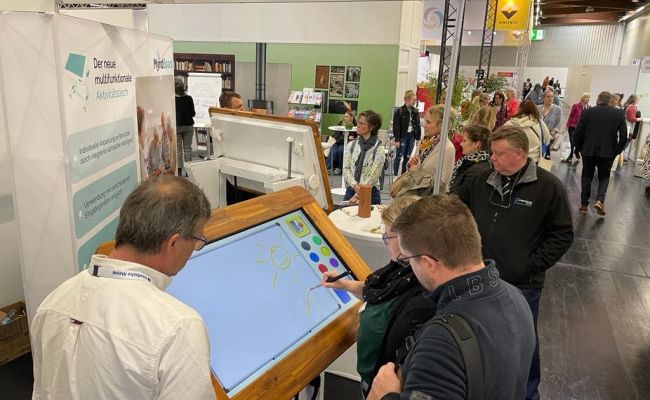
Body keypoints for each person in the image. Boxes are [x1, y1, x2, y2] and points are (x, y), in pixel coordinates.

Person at [31, 176, 214, 399]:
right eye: (197, 240)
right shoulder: (179, 329)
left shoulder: (51, 304)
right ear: (173, 243)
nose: (195, 248)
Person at [367, 195, 536, 400]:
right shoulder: (515, 296)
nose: (408, 266)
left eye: (407, 260)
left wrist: (386, 395)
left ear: (429, 263)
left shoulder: (439, 344)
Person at [456, 126, 574, 400]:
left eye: (498, 153)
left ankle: (528, 394)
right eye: (492, 152)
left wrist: (529, 265)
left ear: (519, 153)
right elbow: (458, 212)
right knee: (480, 335)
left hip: (522, 284)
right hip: (478, 276)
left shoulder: (548, 187)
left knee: (523, 342)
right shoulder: (481, 180)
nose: (492, 158)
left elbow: (562, 234)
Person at [322, 195, 435, 397]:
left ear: (406, 240)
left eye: (387, 237)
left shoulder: (421, 299)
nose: (385, 243)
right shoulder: (400, 269)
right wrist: (344, 285)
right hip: (371, 377)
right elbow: (378, 293)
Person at [574, 91, 627, 216]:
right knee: (604, 177)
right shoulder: (618, 113)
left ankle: (584, 205)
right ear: (610, 101)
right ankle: (599, 200)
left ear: (598, 99)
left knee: (587, 176)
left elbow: (578, 132)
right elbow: (624, 135)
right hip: (608, 151)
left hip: (588, 150)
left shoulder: (587, 112)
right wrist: (617, 150)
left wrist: (579, 147)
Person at [405, 105, 456, 192]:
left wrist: (418, 172)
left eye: (428, 122)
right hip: (413, 194)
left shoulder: (448, 148)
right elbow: (413, 168)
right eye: (425, 121)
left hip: (428, 199)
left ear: (441, 126)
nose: (424, 125)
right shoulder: (424, 142)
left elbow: (442, 184)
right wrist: (410, 165)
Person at [343, 110, 385, 205]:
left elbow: (373, 176)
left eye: (362, 124)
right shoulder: (351, 145)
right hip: (351, 189)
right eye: (358, 122)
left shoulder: (379, 149)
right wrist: (355, 186)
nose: (358, 125)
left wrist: (357, 195)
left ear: (372, 127)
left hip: (371, 193)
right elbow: (346, 168)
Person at [448, 125, 491, 195]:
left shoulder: (476, 171)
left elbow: (460, 195)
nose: (461, 144)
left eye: (464, 141)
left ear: (476, 144)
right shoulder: (467, 162)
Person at [392, 90, 422, 176]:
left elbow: (418, 125)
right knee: (399, 156)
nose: (415, 101)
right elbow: (396, 126)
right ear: (408, 100)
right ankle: (395, 175)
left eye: (415, 100)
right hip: (402, 136)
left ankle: (403, 175)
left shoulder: (415, 111)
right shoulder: (400, 111)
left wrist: (418, 138)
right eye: (413, 100)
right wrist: (397, 140)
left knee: (407, 156)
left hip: (412, 136)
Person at [175, 78, 195, 175]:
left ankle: (179, 172)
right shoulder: (189, 98)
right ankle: (188, 171)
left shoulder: (172, 99)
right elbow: (193, 113)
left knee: (178, 150)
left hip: (177, 127)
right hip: (188, 126)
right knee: (188, 149)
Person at [327, 110, 357, 174]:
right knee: (333, 151)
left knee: (341, 150)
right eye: (344, 116)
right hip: (339, 142)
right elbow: (336, 135)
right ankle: (325, 168)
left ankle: (340, 168)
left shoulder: (355, 125)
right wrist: (345, 137)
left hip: (348, 143)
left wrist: (352, 138)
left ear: (351, 117)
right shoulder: (340, 123)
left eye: (346, 117)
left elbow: (355, 136)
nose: (344, 118)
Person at [565, 92, 590, 162]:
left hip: (582, 128)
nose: (588, 99)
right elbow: (571, 115)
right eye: (587, 97)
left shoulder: (589, 108)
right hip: (573, 126)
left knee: (580, 142)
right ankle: (570, 155)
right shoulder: (576, 106)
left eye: (589, 97)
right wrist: (567, 125)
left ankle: (576, 151)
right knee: (572, 142)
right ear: (583, 98)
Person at [537, 90, 562, 159]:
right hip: (538, 135)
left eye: (552, 96)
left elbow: (559, 123)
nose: (550, 98)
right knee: (538, 154)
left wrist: (553, 132)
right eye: (548, 97)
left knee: (546, 154)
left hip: (550, 136)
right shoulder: (538, 108)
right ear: (543, 98)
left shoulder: (558, 109)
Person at [623, 94, 642, 161]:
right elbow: (631, 119)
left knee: (624, 142)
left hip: (625, 126)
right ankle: (621, 158)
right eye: (637, 100)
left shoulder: (626, 106)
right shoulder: (632, 108)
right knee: (626, 143)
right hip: (629, 128)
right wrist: (640, 119)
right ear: (634, 100)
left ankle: (620, 157)